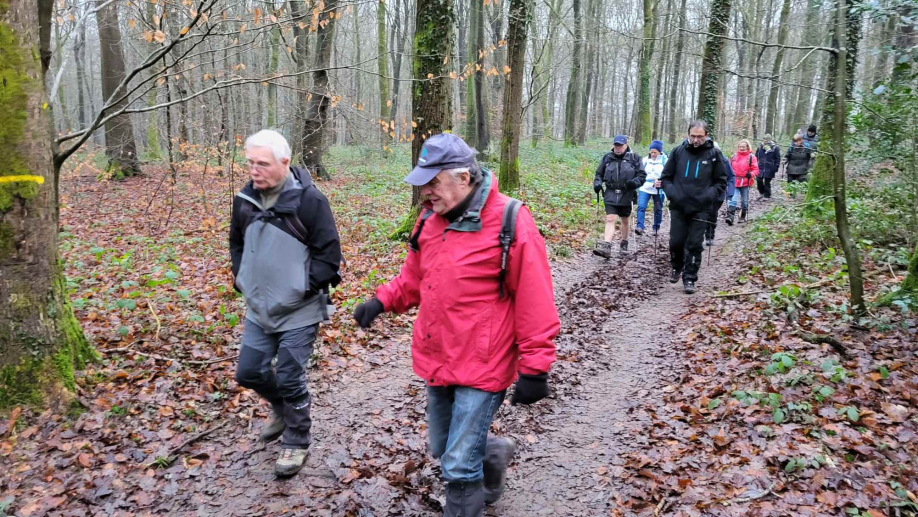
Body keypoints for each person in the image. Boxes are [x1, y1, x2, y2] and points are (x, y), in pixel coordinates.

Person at [351, 133, 560, 516]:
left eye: (432, 183)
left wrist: (535, 367)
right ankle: (494, 453)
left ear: (463, 178)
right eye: (422, 183)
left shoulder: (512, 220)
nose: (425, 193)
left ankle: (470, 485)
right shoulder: (429, 221)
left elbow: (535, 299)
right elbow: (414, 279)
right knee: (443, 447)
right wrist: (381, 301)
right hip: (439, 355)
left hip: (485, 360)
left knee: (458, 464)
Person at [230, 130, 343, 477]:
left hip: (300, 309)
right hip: (259, 308)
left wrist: (300, 287)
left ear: (284, 162)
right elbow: (235, 244)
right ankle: (280, 408)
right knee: (249, 371)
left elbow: (329, 256)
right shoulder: (244, 200)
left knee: (292, 375)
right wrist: (241, 278)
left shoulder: (310, 201)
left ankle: (296, 440)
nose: (254, 170)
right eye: (250, 163)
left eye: (262, 163)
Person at [660, 120, 728, 294]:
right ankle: (677, 266)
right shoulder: (678, 152)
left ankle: (690, 277)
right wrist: (673, 194)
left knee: (695, 244)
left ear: (706, 135)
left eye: (699, 136)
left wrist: (708, 197)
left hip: (701, 208)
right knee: (676, 241)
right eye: (693, 136)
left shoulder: (714, 155)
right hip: (678, 206)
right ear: (688, 135)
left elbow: (721, 181)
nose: (696, 139)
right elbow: (666, 178)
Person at [592, 135, 646, 257]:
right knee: (610, 218)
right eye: (616, 145)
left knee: (625, 220)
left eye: (620, 145)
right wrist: (597, 183)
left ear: (626, 145)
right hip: (610, 192)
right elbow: (598, 173)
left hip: (627, 193)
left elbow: (642, 175)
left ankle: (624, 243)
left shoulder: (634, 158)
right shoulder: (607, 158)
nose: (618, 148)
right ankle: (606, 247)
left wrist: (635, 183)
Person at [704, 141, 735, 247]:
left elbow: (731, 177)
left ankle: (710, 235)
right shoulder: (703, 160)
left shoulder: (724, 161)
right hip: (704, 192)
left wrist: (730, 193)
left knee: (712, 213)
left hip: (719, 193)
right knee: (703, 213)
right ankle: (702, 234)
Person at [635, 140, 667, 237]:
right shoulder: (645, 160)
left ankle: (656, 227)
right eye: (651, 152)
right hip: (645, 187)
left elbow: (668, 174)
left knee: (658, 209)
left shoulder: (665, 161)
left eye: (655, 152)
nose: (653, 154)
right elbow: (639, 172)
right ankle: (640, 227)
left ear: (660, 152)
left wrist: (662, 182)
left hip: (659, 189)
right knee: (641, 206)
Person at [725, 139, 759, 225]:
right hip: (735, 181)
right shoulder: (733, 156)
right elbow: (729, 168)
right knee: (733, 199)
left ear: (747, 147)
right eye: (740, 146)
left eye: (743, 147)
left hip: (745, 182)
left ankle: (742, 217)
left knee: (744, 201)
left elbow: (756, 169)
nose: (741, 148)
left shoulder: (752, 157)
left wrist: (751, 174)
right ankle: (730, 217)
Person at [755, 134, 781, 200]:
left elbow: (778, 158)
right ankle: (761, 193)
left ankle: (767, 195)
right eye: (765, 139)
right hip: (760, 167)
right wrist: (755, 166)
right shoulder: (760, 147)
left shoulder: (775, 148)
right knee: (759, 180)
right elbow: (755, 157)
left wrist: (776, 167)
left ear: (770, 140)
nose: (766, 141)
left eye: (767, 139)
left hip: (770, 167)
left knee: (767, 182)